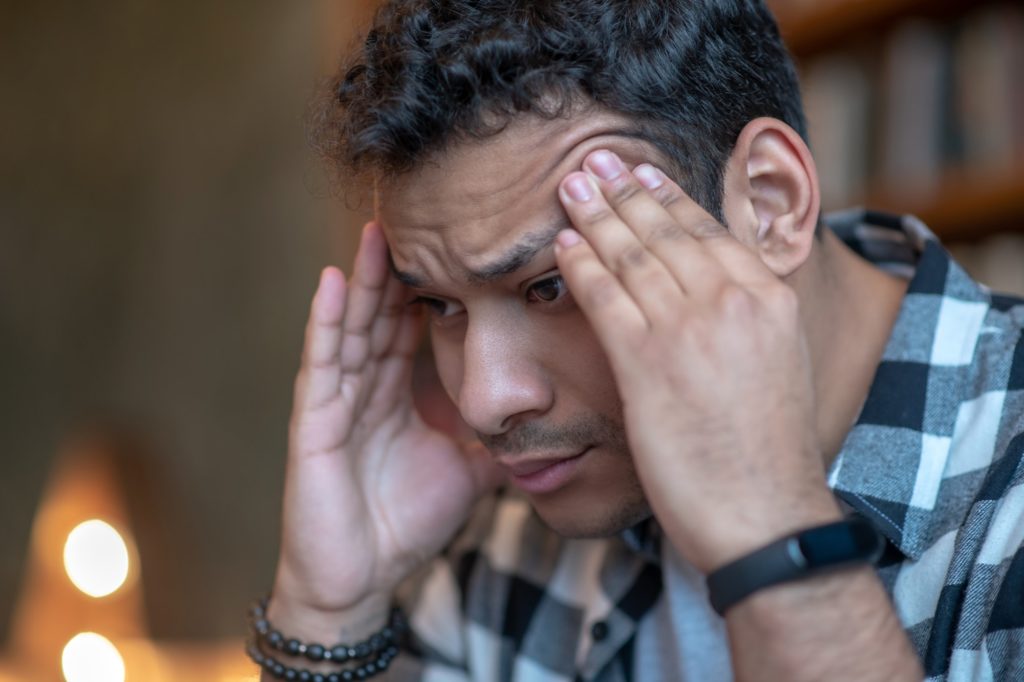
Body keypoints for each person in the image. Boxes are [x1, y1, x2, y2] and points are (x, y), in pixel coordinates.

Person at [248, 1, 1024, 680]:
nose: (485, 405)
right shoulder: (514, 522)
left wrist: (771, 519)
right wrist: (328, 610)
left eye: (551, 286)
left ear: (769, 202)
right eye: (440, 308)